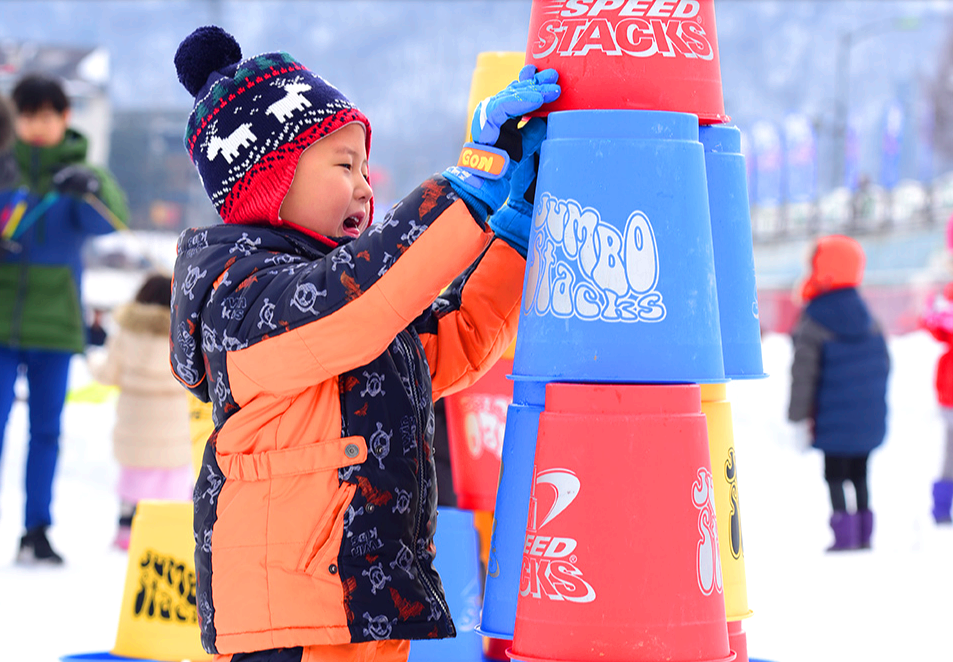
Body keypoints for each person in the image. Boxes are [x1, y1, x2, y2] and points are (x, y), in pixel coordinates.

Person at [170, 26, 558, 662]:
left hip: (362, 603)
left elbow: (451, 336)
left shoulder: (355, 306)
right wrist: (470, 182)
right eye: (342, 165)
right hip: (290, 620)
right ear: (269, 183)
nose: (364, 186)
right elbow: (352, 303)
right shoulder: (240, 298)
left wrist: (512, 232)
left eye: (365, 167)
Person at [0, 73, 129, 564]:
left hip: (54, 325)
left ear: (64, 118)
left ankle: (37, 527)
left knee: (47, 431)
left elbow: (110, 220)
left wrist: (91, 186)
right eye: (28, 114)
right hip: (1, 325)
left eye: (47, 114)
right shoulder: (3, 166)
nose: (37, 125)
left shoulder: (79, 171)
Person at [788, 235, 890, 552]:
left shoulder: (815, 318)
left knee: (834, 474)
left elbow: (803, 373)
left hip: (832, 420)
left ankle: (843, 534)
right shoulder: (868, 317)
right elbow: (883, 365)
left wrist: (797, 416)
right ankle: (864, 533)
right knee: (860, 473)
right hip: (866, 418)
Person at [87, 273, 193, 550]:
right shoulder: (180, 333)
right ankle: (169, 534)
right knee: (172, 483)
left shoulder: (126, 333)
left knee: (132, 481)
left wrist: (92, 362)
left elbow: (108, 374)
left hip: (134, 427)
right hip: (173, 428)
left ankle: (125, 532)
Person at [918, 215, 953, 524]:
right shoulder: (950, 292)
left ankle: (942, 508)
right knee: (950, 451)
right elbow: (941, 331)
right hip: (949, 388)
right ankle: (941, 508)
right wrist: (934, 319)